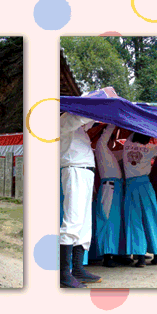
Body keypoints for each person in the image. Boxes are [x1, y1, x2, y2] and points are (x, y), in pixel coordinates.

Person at [59, 112, 101, 287]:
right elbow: (83, 117)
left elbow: (88, 120)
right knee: (73, 220)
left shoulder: (80, 129)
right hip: (74, 170)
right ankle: (63, 274)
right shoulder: (65, 119)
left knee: (84, 224)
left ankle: (77, 268)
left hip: (85, 173)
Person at [120, 134, 157, 267]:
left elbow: (134, 129)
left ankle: (140, 258)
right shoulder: (151, 148)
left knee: (135, 221)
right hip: (145, 185)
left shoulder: (127, 145)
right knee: (152, 218)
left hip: (131, 186)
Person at [91, 124, 127, 267]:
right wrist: (112, 122)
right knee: (107, 220)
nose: (113, 141)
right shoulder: (101, 146)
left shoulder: (107, 152)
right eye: (112, 138)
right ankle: (107, 255)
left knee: (116, 221)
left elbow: (123, 153)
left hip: (115, 187)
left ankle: (116, 252)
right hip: (109, 187)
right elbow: (104, 137)